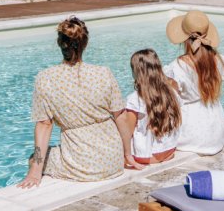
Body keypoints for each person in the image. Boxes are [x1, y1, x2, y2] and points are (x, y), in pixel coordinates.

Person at [18, 16, 136, 188]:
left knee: (32, 158)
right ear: (85, 44)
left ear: (60, 43)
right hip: (112, 161)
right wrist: (127, 153)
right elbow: (121, 117)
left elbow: (44, 124)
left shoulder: (45, 78)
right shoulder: (103, 73)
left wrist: (35, 171)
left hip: (80, 165)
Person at [163, 10, 224, 155]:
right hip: (215, 132)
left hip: (191, 134)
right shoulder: (220, 60)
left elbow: (172, 101)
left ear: (185, 38)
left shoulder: (178, 66)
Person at [121, 49, 181, 165]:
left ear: (136, 72)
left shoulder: (135, 99)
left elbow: (127, 132)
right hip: (169, 151)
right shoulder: (171, 92)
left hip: (145, 156)